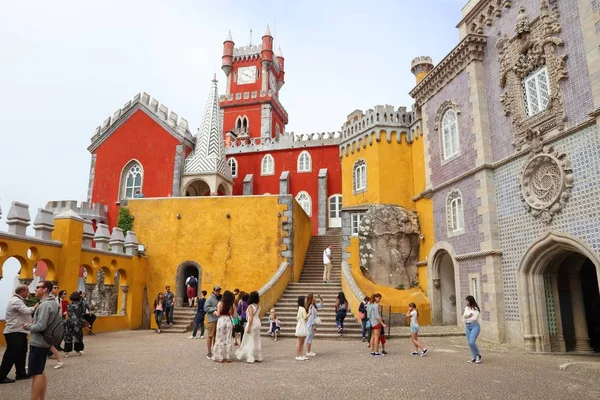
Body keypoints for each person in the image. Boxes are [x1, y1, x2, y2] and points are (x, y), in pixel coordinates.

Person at [23, 281, 60, 400]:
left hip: (39, 341)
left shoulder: (45, 305)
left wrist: (27, 326)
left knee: (36, 373)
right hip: (45, 341)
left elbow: (40, 326)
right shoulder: (52, 303)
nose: (35, 289)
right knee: (40, 371)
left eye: (38, 287)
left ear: (45, 289)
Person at [0, 285, 35, 384]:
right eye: (27, 291)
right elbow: (26, 311)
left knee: (21, 353)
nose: (28, 293)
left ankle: (21, 373)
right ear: (23, 291)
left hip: (20, 331)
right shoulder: (16, 300)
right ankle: (1, 376)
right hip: (14, 331)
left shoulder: (18, 300)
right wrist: (36, 306)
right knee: (10, 355)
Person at [235, 291, 262, 363]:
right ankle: (258, 356)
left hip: (252, 323)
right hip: (258, 323)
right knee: (257, 339)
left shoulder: (250, 306)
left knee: (250, 340)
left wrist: (249, 327)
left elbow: (251, 318)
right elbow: (259, 316)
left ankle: (250, 357)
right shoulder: (259, 306)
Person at [212, 290, 236, 363]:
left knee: (220, 338)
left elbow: (218, 314)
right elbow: (234, 316)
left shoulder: (220, 303)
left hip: (221, 321)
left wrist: (214, 312)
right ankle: (228, 357)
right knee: (228, 338)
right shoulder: (232, 305)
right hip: (228, 320)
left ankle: (220, 357)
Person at [63, 292, 86, 357]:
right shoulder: (80, 305)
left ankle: (67, 352)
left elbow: (68, 312)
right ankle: (78, 350)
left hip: (69, 322)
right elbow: (83, 312)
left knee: (68, 336)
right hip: (77, 322)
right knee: (78, 336)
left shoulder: (69, 304)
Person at [203, 285, 221, 359]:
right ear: (213, 291)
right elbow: (206, 308)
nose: (218, 292)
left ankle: (215, 351)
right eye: (217, 290)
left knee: (216, 337)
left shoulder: (220, 298)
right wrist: (215, 308)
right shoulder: (209, 299)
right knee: (210, 336)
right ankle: (209, 352)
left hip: (219, 319)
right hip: (212, 320)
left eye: (219, 290)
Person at [463, 295, 482, 363]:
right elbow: (464, 316)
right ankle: (474, 356)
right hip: (468, 326)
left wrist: (467, 317)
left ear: (470, 301)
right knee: (470, 343)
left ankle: (478, 355)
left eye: (467, 301)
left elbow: (474, 318)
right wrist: (468, 316)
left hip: (475, 326)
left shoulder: (476, 309)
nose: (466, 302)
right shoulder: (466, 308)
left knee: (472, 342)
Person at [295, 296, 308, 361]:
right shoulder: (302, 308)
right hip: (302, 326)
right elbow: (305, 318)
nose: (306, 301)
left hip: (301, 325)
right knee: (300, 341)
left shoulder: (300, 308)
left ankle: (301, 354)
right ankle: (298, 355)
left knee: (301, 341)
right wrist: (309, 314)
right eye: (305, 300)